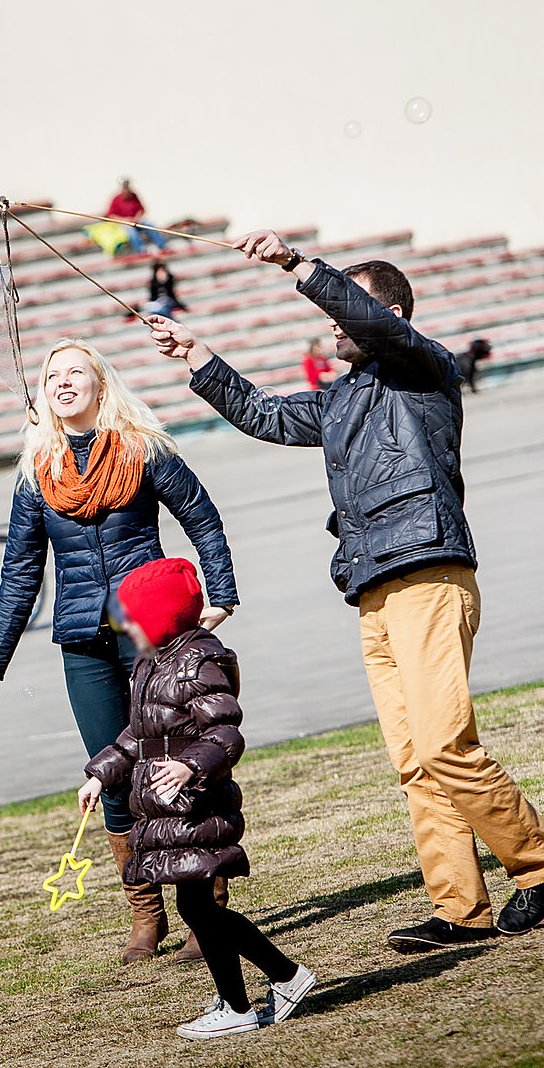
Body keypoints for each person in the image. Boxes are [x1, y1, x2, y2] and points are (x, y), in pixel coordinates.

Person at [148, 228, 544, 950]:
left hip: (428, 573)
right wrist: (198, 355)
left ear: (388, 314)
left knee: (445, 744)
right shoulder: (341, 401)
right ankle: (461, 910)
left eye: (346, 309)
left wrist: (299, 266)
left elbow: (369, 321)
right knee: (414, 760)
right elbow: (264, 415)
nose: (331, 323)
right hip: (372, 589)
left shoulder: (426, 369)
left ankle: (539, 865)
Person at [0, 338, 238, 964]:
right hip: (82, 638)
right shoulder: (38, 472)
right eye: (52, 375)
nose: (63, 383)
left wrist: (219, 591)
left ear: (100, 384)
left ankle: (205, 899)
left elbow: (202, 517)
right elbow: (19, 572)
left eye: (75, 373)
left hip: (153, 633)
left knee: (174, 765)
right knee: (108, 772)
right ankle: (146, 911)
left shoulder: (144, 450)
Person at [80, 557, 314, 1040]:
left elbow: (226, 732)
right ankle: (250, 997)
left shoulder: (198, 661)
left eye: (133, 617)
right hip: (165, 809)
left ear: (159, 617)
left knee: (199, 909)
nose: (126, 627)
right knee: (199, 908)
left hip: (196, 805)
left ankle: (275, 983)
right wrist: (100, 775)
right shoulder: (152, 661)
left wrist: (191, 765)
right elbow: (135, 735)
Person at [106, 178, 167, 255]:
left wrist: (137, 218)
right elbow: (111, 215)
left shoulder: (134, 196)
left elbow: (141, 209)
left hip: (136, 221)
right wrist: (125, 220)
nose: (127, 190)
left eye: (127, 187)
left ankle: (163, 247)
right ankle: (141, 251)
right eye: (125, 188)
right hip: (125, 223)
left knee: (151, 226)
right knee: (132, 233)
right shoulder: (116, 199)